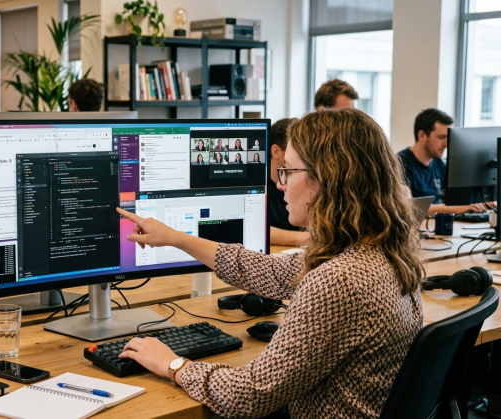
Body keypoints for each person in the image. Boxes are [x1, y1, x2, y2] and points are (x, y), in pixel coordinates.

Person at [115, 108, 423, 419]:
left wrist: (172, 364)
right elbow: (269, 271)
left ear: (324, 179)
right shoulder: (382, 252)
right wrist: (175, 237)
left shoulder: (338, 281)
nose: (280, 184)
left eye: (287, 171)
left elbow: (249, 396)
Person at [398, 108, 487, 216]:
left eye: (448, 137)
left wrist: (484, 203)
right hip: (418, 228)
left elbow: (453, 198)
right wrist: (458, 208)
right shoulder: (400, 163)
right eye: (441, 137)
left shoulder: (438, 163)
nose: (446, 143)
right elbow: (409, 207)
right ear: (422, 136)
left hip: (435, 225)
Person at [268, 118, 309, 246]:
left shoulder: (306, 181)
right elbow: (258, 231)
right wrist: (311, 238)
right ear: (276, 151)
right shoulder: (259, 188)